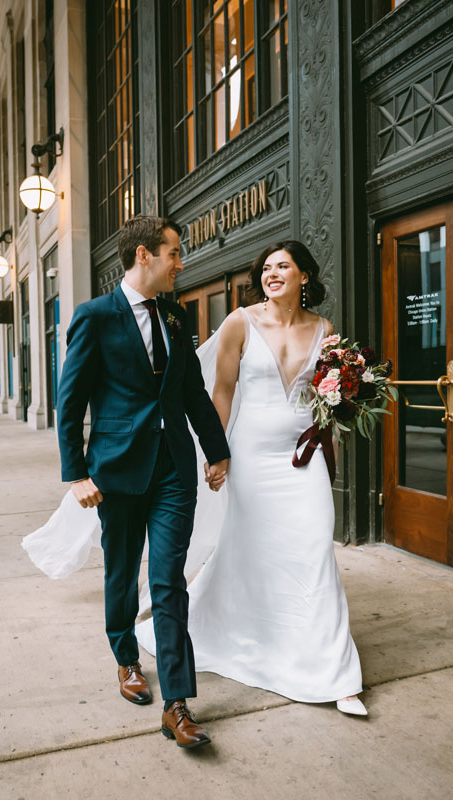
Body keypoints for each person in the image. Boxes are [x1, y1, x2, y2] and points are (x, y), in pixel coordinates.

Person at [135, 239, 366, 715]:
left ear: (305, 276)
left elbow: (332, 401)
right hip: (252, 457)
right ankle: (257, 638)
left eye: (283, 266)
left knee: (315, 548)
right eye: (266, 268)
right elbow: (220, 393)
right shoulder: (240, 323)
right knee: (252, 550)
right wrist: (216, 454)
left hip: (304, 459)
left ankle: (335, 673)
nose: (271, 273)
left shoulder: (325, 330)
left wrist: (333, 446)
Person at [53, 215, 230, 750]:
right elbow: (71, 400)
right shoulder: (95, 317)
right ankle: (127, 658)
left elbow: (192, 395)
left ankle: (177, 704)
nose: (182, 263)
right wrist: (76, 472)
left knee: (168, 578)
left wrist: (217, 451)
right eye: (174, 253)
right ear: (144, 256)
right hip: (117, 469)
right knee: (122, 572)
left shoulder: (176, 317)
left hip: (174, 468)